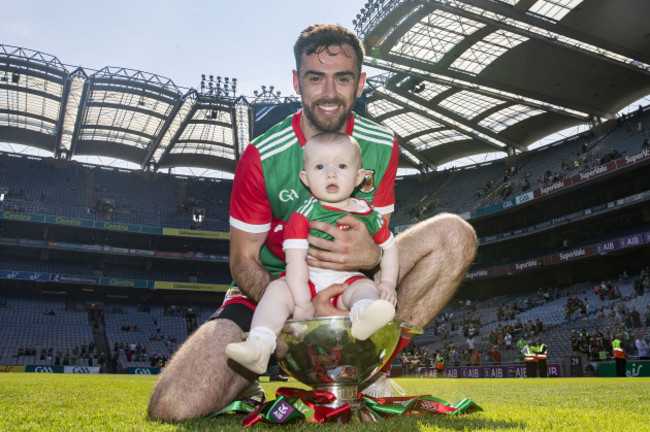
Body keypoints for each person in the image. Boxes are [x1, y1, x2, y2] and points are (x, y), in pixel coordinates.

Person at [147, 23, 477, 421]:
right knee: (173, 407)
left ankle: (368, 370)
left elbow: (379, 236)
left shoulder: (383, 144)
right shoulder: (262, 156)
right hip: (270, 296)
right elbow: (242, 261)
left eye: (343, 78)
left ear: (360, 83)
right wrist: (292, 311)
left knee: (454, 236)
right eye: (316, 78)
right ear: (296, 81)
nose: (330, 93)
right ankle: (256, 365)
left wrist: (370, 254)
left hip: (353, 286)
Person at [224, 132, 398, 374]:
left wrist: (388, 282)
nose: (331, 173)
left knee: (366, 289)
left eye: (341, 165)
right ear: (305, 178)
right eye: (319, 166)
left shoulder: (367, 212)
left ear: (359, 177)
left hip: (347, 280)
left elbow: (389, 247)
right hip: (307, 280)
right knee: (276, 290)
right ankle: (260, 344)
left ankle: (363, 316)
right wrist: (303, 304)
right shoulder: (302, 214)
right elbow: (295, 263)